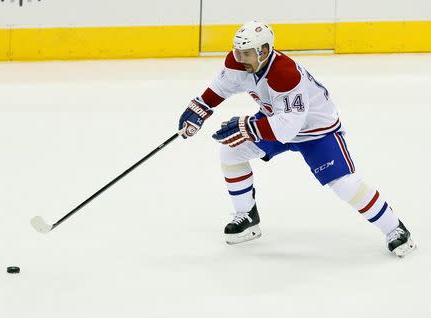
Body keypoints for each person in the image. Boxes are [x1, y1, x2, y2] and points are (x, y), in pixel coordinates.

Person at [177, 21, 416, 257]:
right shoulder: (239, 61)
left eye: (247, 53)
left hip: (316, 130)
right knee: (231, 152)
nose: (239, 58)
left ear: (264, 51)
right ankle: (247, 217)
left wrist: (248, 127)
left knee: (344, 184)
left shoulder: (284, 73)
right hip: (275, 119)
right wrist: (201, 107)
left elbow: (287, 129)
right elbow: (224, 85)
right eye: (237, 51)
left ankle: (395, 228)